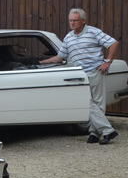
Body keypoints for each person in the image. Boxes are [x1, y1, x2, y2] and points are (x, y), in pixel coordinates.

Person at [42, 8, 120, 144]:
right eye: (70, 20)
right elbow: (60, 57)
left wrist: (108, 62)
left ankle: (95, 133)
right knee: (87, 103)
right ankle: (106, 130)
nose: (72, 23)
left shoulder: (93, 32)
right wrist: (41, 62)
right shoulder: (69, 37)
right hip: (79, 75)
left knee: (96, 104)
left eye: (75, 20)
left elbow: (113, 43)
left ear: (83, 21)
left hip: (95, 72)